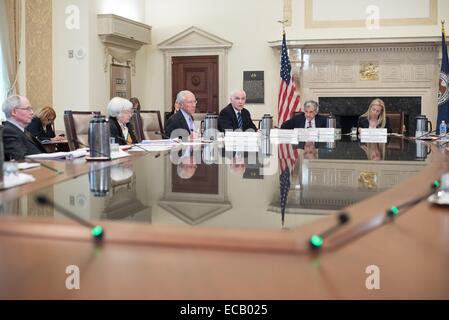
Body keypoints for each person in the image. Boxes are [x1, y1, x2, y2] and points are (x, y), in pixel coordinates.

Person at [2, 95, 47, 160]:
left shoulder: (22, 130)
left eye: (31, 109)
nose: (32, 112)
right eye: (27, 109)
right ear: (14, 111)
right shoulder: (8, 131)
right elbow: (21, 158)